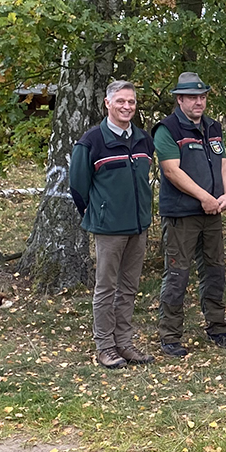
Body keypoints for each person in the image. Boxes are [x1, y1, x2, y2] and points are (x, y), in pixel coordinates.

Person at [69, 80, 156, 368]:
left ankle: (125, 343)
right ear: (107, 103)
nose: (127, 107)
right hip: (108, 229)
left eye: (131, 102)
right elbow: (79, 187)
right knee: (106, 288)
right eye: (120, 101)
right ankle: (105, 346)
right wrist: (99, 214)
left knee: (129, 287)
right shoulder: (92, 141)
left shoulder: (143, 139)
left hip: (138, 225)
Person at [152, 71, 226, 357]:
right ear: (179, 99)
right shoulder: (167, 129)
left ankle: (217, 327)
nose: (198, 102)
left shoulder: (213, 127)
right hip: (181, 214)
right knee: (178, 273)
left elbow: (223, 161)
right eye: (192, 97)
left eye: (202, 97)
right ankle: (170, 336)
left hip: (213, 211)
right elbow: (171, 170)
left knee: (215, 270)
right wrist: (205, 198)